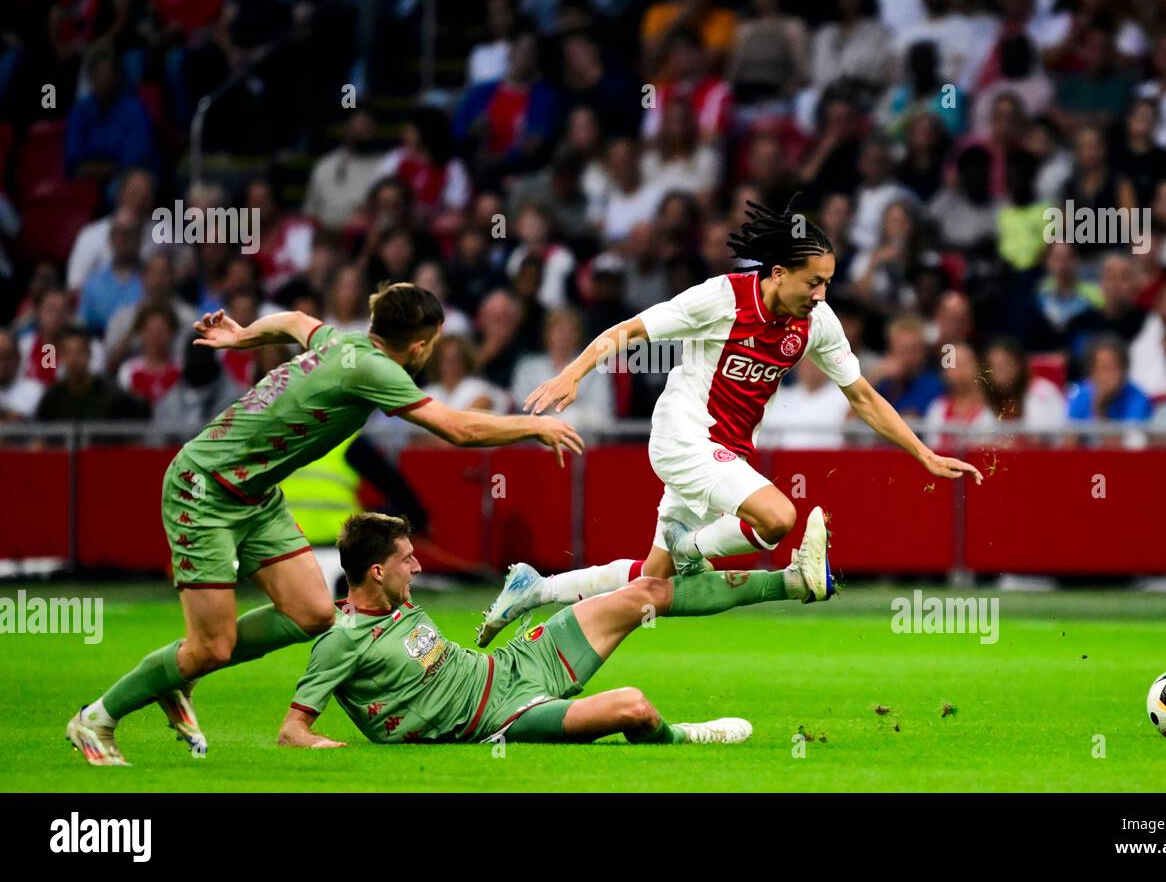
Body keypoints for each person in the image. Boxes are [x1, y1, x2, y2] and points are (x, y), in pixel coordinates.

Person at [66, 283, 585, 766]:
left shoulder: (341, 340)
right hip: (203, 488)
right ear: (421, 345)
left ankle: (181, 671)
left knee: (314, 613)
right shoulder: (378, 370)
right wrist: (532, 424)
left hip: (253, 493)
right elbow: (456, 427)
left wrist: (243, 335)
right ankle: (96, 719)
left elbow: (293, 319)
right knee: (211, 645)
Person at [474, 198, 982, 646]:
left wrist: (924, 453)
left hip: (727, 451)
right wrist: (574, 373)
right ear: (779, 272)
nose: (822, 294)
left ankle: (536, 589)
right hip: (684, 436)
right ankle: (694, 547)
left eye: (827, 282)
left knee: (651, 588)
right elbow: (628, 331)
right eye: (813, 281)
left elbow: (864, 397)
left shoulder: (816, 323)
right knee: (779, 518)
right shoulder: (720, 299)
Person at [278, 511, 835, 748]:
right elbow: (293, 729)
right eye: (407, 559)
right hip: (501, 718)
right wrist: (327, 746)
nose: (418, 566)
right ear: (377, 571)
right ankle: (685, 737)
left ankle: (795, 583)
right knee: (634, 708)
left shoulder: (396, 604)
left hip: (514, 666)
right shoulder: (341, 639)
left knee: (649, 593)